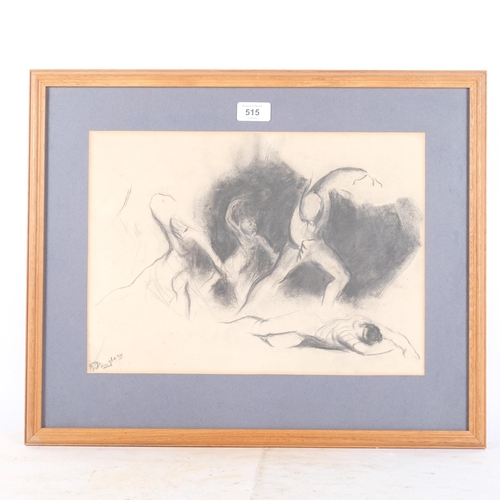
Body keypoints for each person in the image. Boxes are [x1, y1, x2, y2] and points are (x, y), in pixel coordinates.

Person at [224, 311, 420, 358]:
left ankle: (235, 328)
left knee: (272, 343)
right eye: (363, 325)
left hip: (305, 335)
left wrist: (404, 347)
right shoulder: (348, 330)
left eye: (361, 328)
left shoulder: (352, 332)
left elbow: (366, 350)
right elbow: (367, 350)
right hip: (303, 322)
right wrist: (397, 346)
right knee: (261, 327)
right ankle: (227, 325)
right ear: (366, 325)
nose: (359, 324)